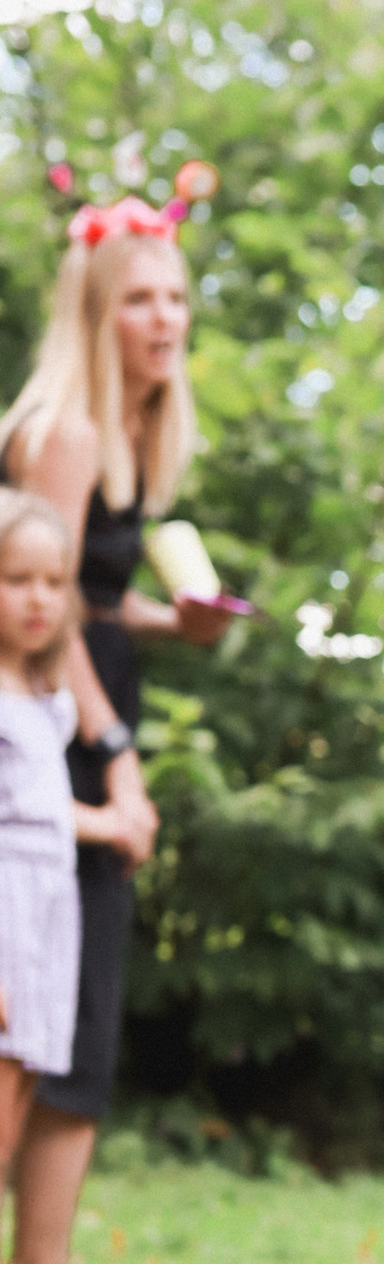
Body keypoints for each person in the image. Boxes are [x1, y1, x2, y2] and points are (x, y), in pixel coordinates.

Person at [3, 183, 232, 1264]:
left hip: (89, 731)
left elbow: (89, 601)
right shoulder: (68, 433)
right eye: (140, 298)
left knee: (82, 1014)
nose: (165, 319)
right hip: (54, 749)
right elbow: (40, 622)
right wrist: (118, 759)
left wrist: (165, 621)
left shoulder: (128, 437)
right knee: (37, 1018)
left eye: (177, 297)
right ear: (96, 312)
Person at [0, 494, 112, 1226]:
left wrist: (110, 824)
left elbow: (37, 812)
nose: (39, 598)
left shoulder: (47, 697)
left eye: (54, 581)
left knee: (15, 1109)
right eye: (17, 579)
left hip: (46, 919)